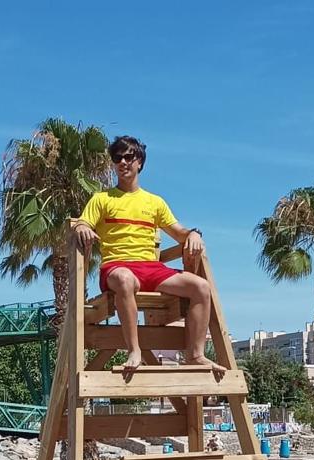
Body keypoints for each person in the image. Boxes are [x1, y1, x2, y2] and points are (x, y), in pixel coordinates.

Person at [75, 136, 225, 375]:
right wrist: (82, 227)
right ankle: (133, 350)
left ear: (140, 163)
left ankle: (196, 355)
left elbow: (179, 233)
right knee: (125, 280)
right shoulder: (101, 199)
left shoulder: (155, 202)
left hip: (151, 269)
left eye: (129, 157)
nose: (123, 162)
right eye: (117, 158)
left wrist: (194, 234)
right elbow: (83, 223)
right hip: (116, 268)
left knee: (200, 287)